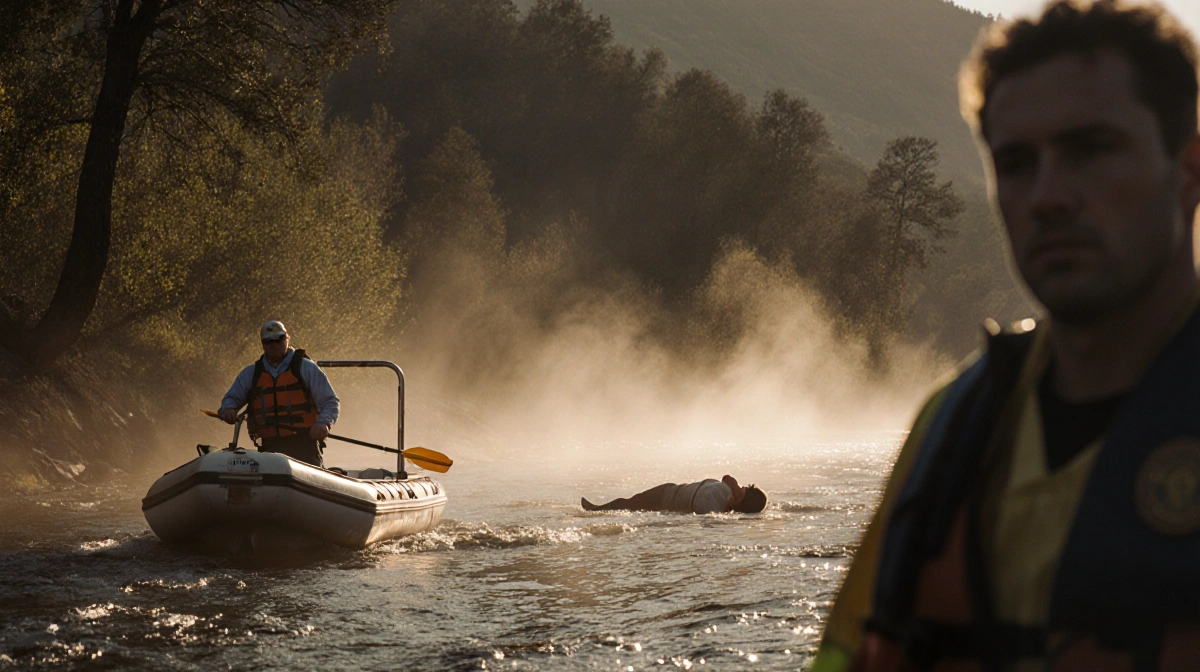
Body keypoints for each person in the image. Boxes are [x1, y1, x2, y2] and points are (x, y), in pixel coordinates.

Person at [812, 1, 1200, 670]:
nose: (1047, 195)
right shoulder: (955, 426)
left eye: (1092, 149)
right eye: (1017, 163)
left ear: (1190, 169)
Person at [218, 320, 340, 467]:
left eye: (279, 339)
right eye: (268, 341)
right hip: (269, 448)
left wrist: (323, 423)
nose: (274, 344)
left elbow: (330, 401)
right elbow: (230, 399)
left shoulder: (306, 368)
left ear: (287, 338)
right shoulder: (251, 374)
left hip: (304, 445)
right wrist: (229, 409)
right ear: (262, 344)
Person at [581, 475, 768, 514]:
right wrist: (737, 496)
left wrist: (737, 499)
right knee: (631, 503)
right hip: (671, 494)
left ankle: (595, 511)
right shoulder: (728, 492)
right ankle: (597, 509)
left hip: (668, 498)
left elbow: (729, 478)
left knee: (630, 504)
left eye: (748, 487)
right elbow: (728, 478)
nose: (744, 485)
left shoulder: (721, 506)